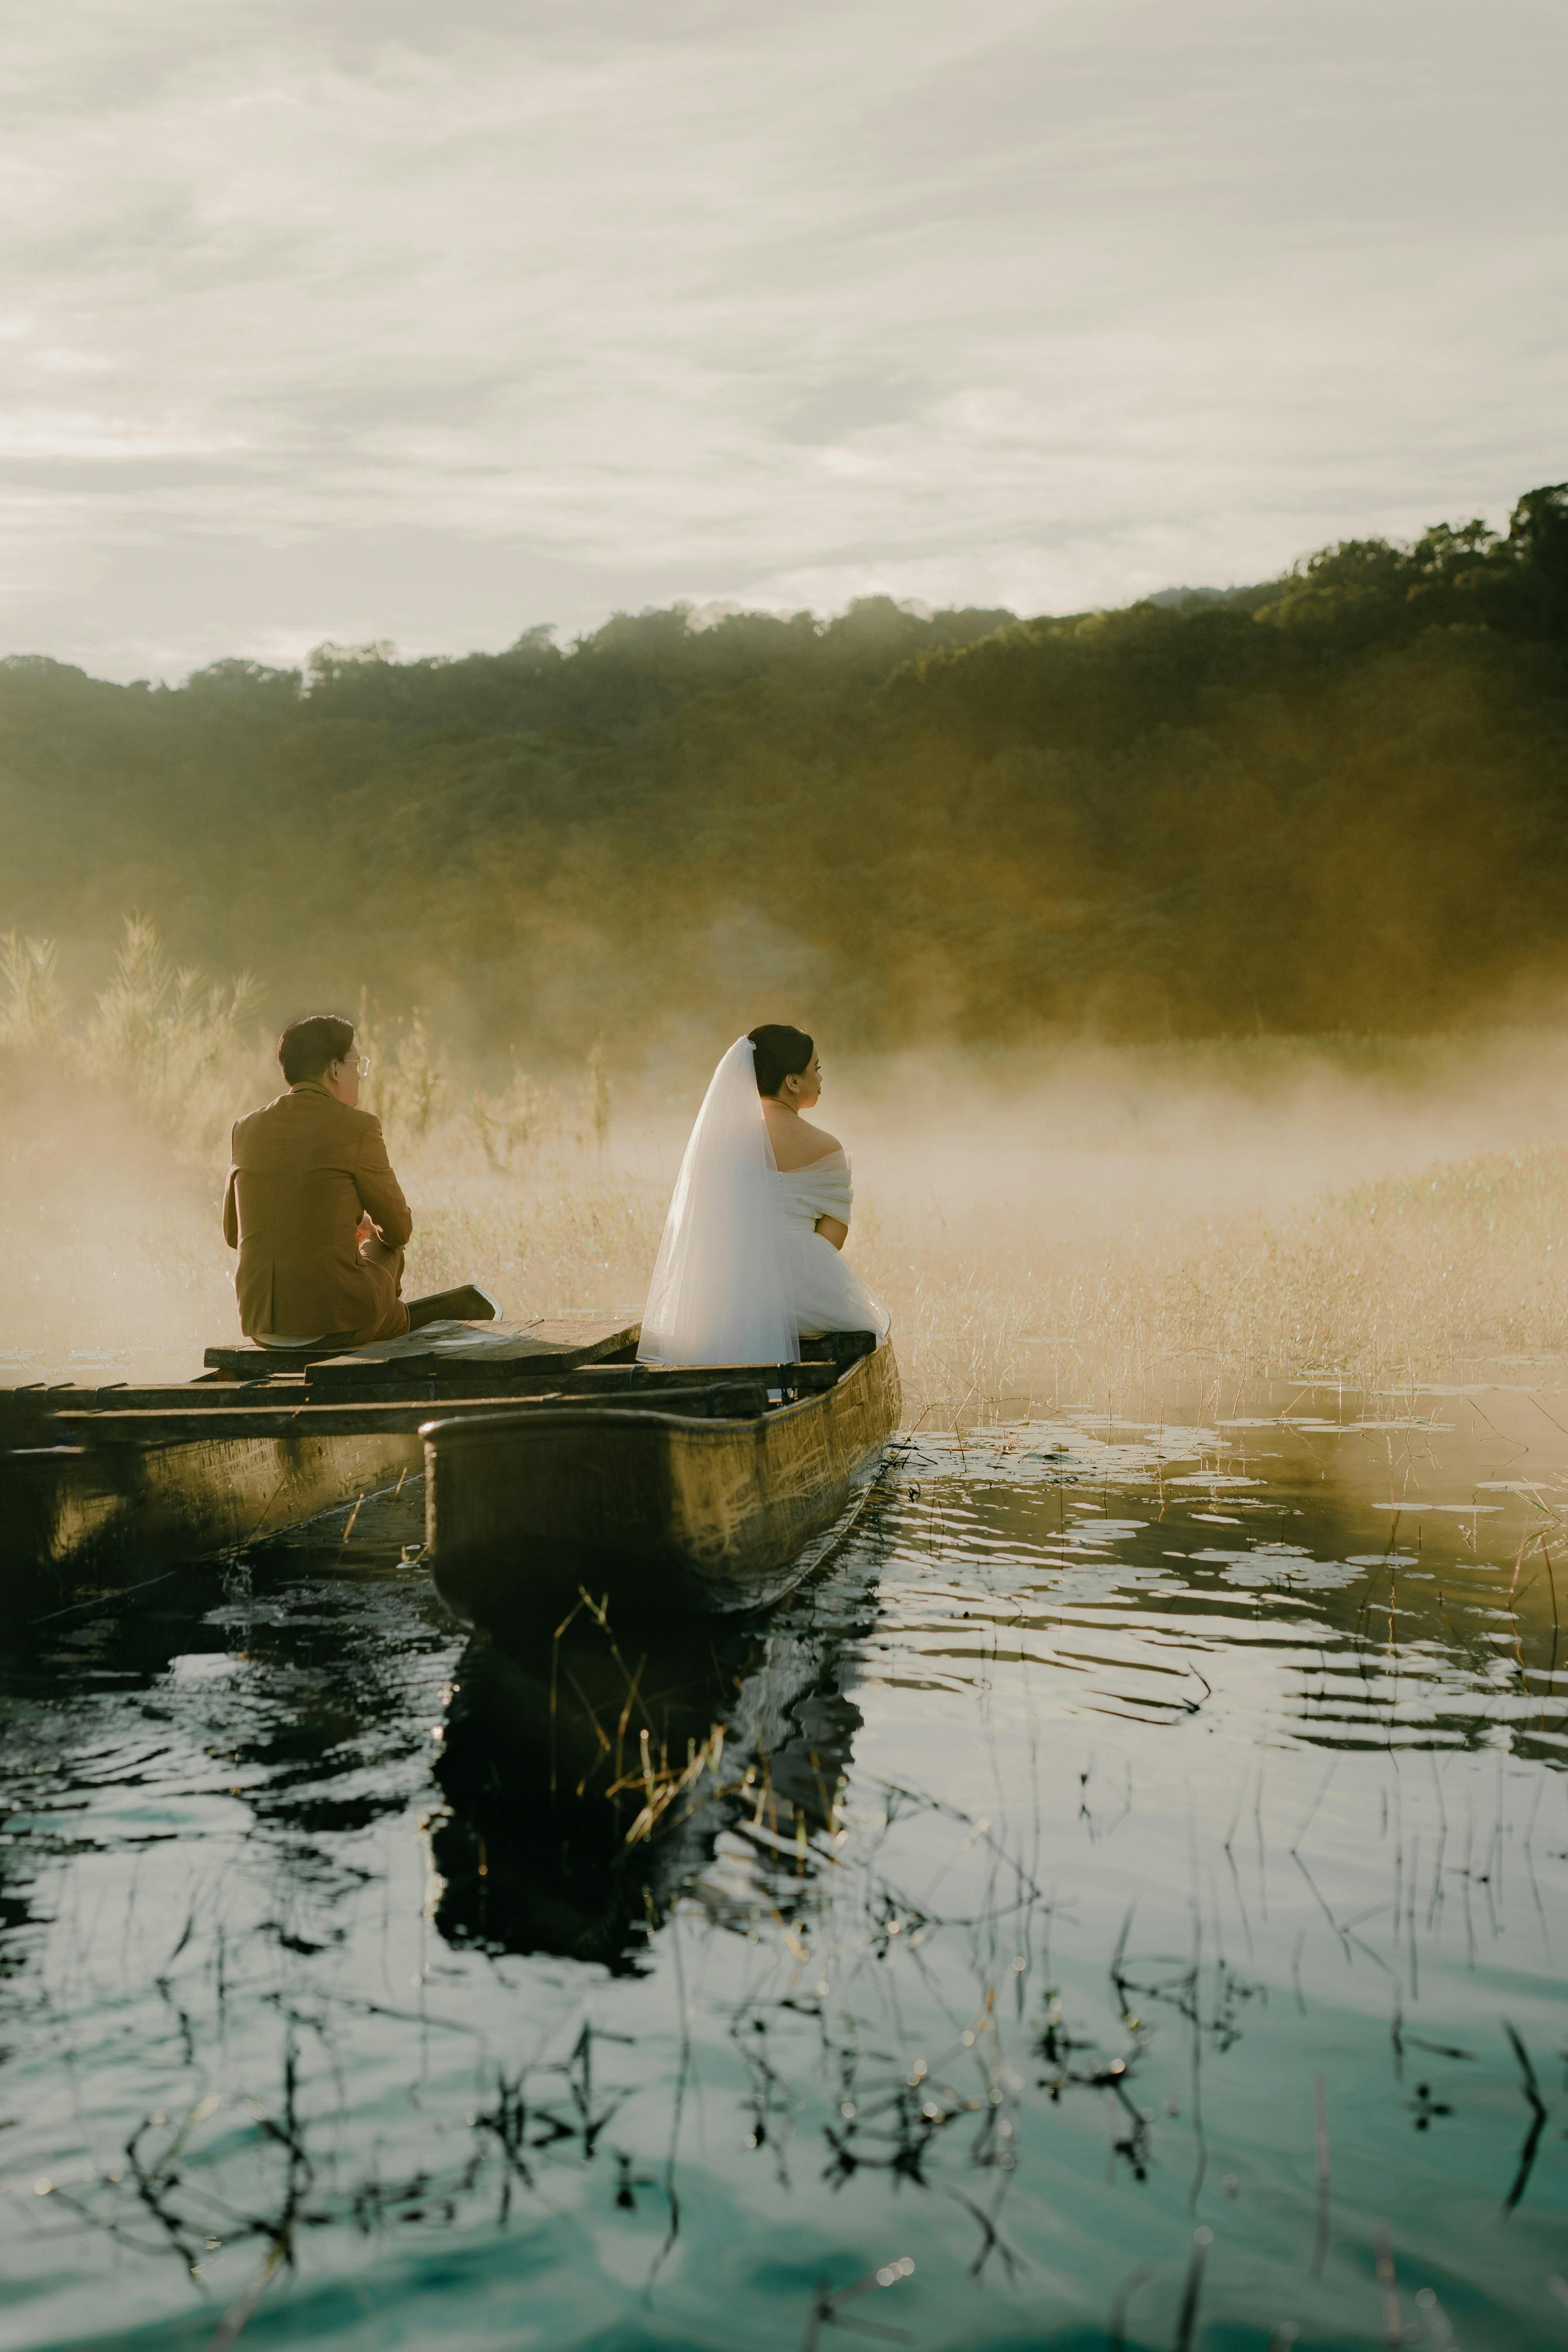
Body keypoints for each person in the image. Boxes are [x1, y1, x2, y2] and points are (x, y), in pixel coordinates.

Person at [223, 1012, 493, 1350]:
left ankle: (385, 1315)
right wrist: (364, 1227)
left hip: (261, 1328)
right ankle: (391, 1319)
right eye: (357, 1065)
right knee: (384, 1245)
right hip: (334, 1327)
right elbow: (398, 1229)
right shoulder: (358, 1127)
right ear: (335, 1069)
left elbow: (235, 1236)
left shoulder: (245, 1127)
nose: (360, 1075)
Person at [638, 1024, 889, 1367]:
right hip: (800, 1300)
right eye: (815, 1069)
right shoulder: (826, 1148)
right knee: (871, 1329)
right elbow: (832, 1238)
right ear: (793, 1082)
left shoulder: (719, 1142)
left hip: (723, 1297)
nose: (820, 1078)